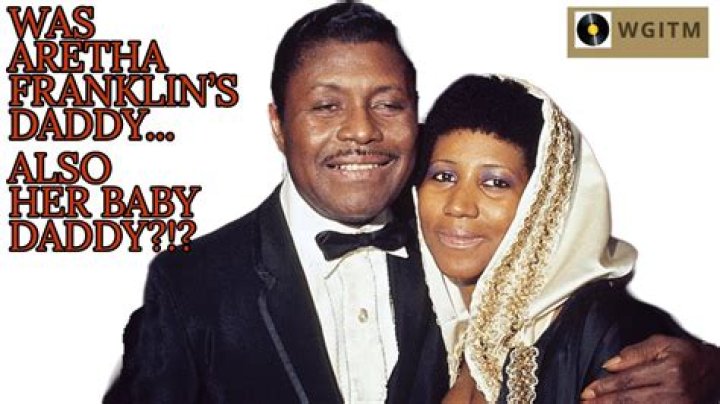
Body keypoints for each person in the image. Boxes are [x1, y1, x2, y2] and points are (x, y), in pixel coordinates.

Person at [105, 3, 720, 404]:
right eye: (326, 105)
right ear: (277, 126)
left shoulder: (464, 251)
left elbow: (629, 349)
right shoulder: (193, 286)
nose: (360, 130)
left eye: (387, 104)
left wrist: (710, 372)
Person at [415, 74, 720, 403]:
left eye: (496, 183)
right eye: (443, 176)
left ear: (544, 202)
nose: (459, 206)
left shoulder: (610, 332)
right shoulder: (448, 331)